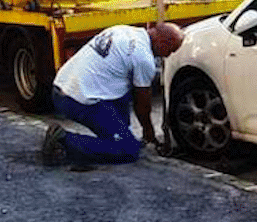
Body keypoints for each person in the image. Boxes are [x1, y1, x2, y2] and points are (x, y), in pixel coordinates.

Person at [40, 22, 185, 168]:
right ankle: (64, 140)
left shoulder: (123, 30)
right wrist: (149, 132)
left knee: (124, 86)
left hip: (61, 87)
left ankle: (117, 135)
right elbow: (142, 105)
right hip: (78, 101)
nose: (168, 55)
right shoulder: (143, 58)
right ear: (162, 42)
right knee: (128, 150)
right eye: (171, 50)